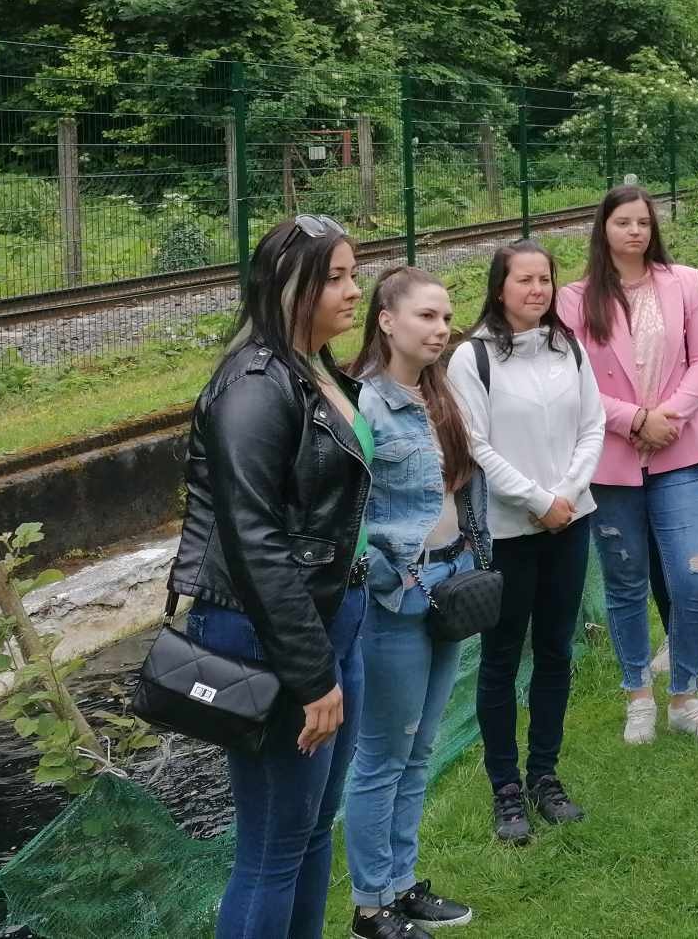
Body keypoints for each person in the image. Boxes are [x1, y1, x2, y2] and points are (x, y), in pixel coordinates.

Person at [167, 215, 371, 939]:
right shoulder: (255, 385)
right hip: (270, 633)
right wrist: (312, 674)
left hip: (332, 618)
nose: (355, 290)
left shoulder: (315, 367)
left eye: (354, 272)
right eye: (337, 277)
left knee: (312, 829)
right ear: (290, 288)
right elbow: (255, 541)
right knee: (271, 848)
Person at [558, 186, 698, 748]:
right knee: (626, 580)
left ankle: (685, 694)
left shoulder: (683, 281)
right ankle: (638, 693)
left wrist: (672, 416)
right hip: (611, 460)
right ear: (602, 229)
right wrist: (634, 420)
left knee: (695, 576)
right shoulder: (575, 299)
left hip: (680, 447)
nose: (635, 232)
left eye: (643, 222)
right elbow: (574, 381)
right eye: (623, 222)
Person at [342, 267, 483, 936]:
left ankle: (402, 884)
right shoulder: (362, 407)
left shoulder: (438, 395)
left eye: (446, 316)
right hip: (397, 601)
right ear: (386, 321)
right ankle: (370, 905)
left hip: (448, 591)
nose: (440, 328)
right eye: (426, 316)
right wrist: (382, 571)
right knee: (382, 754)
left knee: (421, 747)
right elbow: (342, 514)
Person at [449, 240, 605, 845]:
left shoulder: (569, 348)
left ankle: (544, 775)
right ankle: (505, 789)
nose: (537, 290)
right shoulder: (474, 358)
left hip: (571, 522)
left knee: (557, 651)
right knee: (502, 658)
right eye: (524, 281)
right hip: (511, 533)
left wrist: (566, 495)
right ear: (499, 287)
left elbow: (592, 427)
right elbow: (476, 444)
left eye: (545, 279)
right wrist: (539, 502)